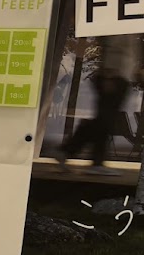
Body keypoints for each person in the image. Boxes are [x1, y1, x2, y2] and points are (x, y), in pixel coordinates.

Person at [56, 33, 142, 175]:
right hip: (114, 76)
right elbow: (112, 45)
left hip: (119, 76)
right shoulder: (121, 24)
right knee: (104, 121)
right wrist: (109, 74)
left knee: (103, 121)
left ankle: (68, 151)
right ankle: (91, 160)